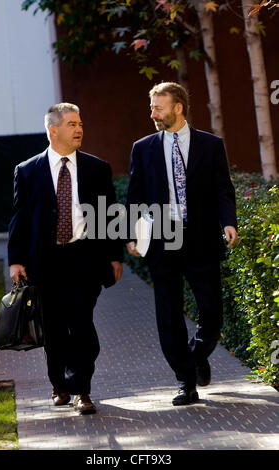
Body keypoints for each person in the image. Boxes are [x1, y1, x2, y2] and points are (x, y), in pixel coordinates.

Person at [126, 82, 237, 406]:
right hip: (163, 240)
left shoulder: (210, 145)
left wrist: (228, 221)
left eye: (158, 107)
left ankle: (196, 353)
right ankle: (185, 381)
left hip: (200, 238)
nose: (153, 113)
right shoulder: (142, 148)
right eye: (151, 107)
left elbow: (222, 189)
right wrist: (130, 234)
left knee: (212, 311)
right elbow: (135, 196)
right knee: (168, 314)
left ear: (178, 107)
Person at [8, 103, 123, 414]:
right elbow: (19, 219)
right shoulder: (28, 170)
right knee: (54, 329)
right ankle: (59, 385)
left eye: (80, 123)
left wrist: (114, 257)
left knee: (82, 325)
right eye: (72, 124)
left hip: (84, 258)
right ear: (53, 130)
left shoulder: (97, 168)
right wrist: (15, 261)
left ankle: (82, 391)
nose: (79, 129)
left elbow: (109, 216)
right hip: (45, 262)